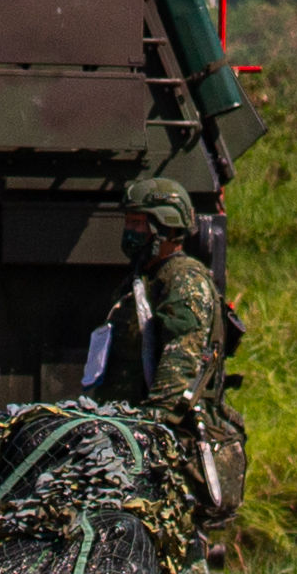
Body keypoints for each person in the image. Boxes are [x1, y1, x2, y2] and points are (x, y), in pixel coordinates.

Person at [80, 170, 245, 514]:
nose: (131, 232)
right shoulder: (142, 281)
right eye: (130, 222)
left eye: (140, 224)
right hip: (135, 438)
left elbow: (182, 362)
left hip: (169, 448)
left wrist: (145, 431)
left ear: (166, 228)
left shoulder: (183, 281)